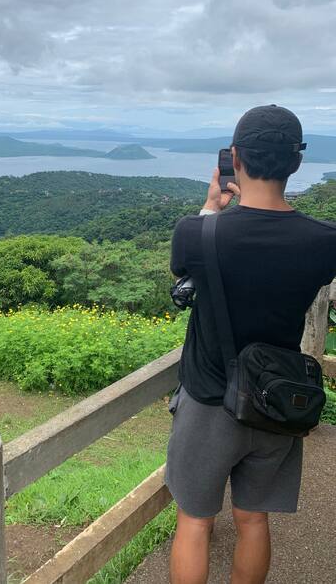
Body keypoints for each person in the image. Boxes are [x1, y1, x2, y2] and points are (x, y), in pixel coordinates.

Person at [165, 105, 336, 584]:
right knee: (253, 519)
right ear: (296, 161)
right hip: (277, 400)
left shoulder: (196, 233)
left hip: (209, 402)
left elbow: (185, 268)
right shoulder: (325, 241)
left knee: (195, 521)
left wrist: (211, 208)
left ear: (234, 159)